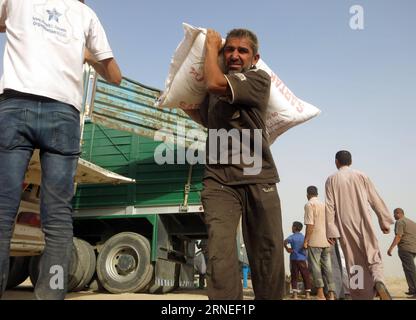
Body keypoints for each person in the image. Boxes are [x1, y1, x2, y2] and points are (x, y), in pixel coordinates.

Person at [0, 0, 121, 300]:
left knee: (2, 209)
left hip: (15, 106)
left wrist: (16, 26)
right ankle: (52, 294)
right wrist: (88, 55)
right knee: (57, 217)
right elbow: (115, 75)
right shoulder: (86, 15)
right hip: (62, 116)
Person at [185, 28, 284, 299]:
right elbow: (207, 117)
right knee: (220, 252)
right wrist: (182, 99)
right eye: (229, 50)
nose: (235, 55)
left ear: (255, 57)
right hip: (218, 180)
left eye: (242, 50)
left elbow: (215, 83)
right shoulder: (216, 89)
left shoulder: (257, 79)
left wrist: (211, 47)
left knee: (267, 252)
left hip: (257, 175)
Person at [325, 150, 394, 300]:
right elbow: (374, 198)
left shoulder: (331, 179)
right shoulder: (361, 175)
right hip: (364, 221)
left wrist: (331, 231)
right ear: (351, 161)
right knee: (373, 255)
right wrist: (384, 220)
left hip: (345, 225)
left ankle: (360, 296)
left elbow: (330, 207)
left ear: (336, 162)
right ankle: (378, 280)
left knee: (354, 262)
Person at [303, 186, 336, 300]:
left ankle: (320, 293)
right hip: (326, 240)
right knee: (328, 267)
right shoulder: (324, 205)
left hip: (315, 241)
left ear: (307, 194)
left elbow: (310, 225)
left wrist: (306, 240)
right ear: (317, 194)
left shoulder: (309, 205)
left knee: (315, 267)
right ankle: (331, 293)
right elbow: (330, 222)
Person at [387, 208, 416, 297]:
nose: (393, 216)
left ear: (398, 213)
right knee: (408, 269)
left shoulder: (400, 222)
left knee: (410, 270)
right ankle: (412, 289)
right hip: (413, 249)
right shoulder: (412, 222)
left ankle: (415, 291)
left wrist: (391, 248)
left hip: (405, 249)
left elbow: (399, 236)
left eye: (394, 214)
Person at [284, 221, 312, 299]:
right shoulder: (304, 237)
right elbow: (308, 245)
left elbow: (284, 242)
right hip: (303, 259)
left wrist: (287, 249)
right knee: (305, 276)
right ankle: (307, 295)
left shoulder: (292, 237)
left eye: (292, 226)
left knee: (294, 276)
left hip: (293, 259)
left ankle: (295, 295)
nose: (291, 228)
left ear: (295, 227)